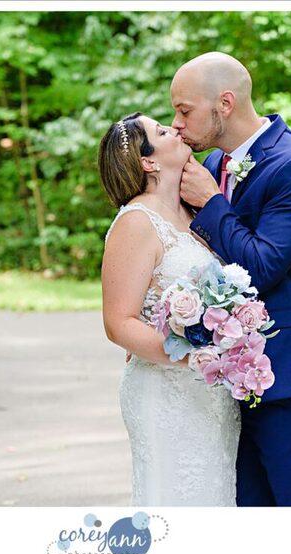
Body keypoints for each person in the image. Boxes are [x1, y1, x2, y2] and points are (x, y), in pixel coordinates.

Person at [171, 52, 291, 506]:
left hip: (290, 372)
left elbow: (263, 266)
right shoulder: (214, 166)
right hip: (230, 374)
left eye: (184, 110)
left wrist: (213, 203)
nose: (176, 123)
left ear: (225, 103)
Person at [99, 112, 240, 506]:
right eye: (161, 131)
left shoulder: (195, 215)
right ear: (148, 161)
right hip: (165, 391)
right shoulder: (136, 222)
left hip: (212, 395)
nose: (175, 128)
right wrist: (194, 357)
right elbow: (118, 322)